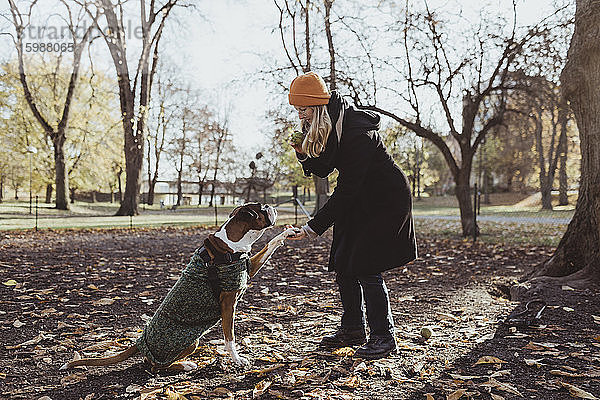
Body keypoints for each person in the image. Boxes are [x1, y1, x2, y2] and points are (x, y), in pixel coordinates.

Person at [286, 71, 417, 359]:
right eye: (297, 110)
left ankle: (384, 337)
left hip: (384, 200)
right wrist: (303, 153)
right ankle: (353, 329)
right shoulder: (332, 123)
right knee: (344, 261)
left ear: (318, 106)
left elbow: (346, 189)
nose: (301, 116)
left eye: (304, 109)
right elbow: (324, 169)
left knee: (366, 267)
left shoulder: (356, 130)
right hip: (361, 197)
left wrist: (312, 227)